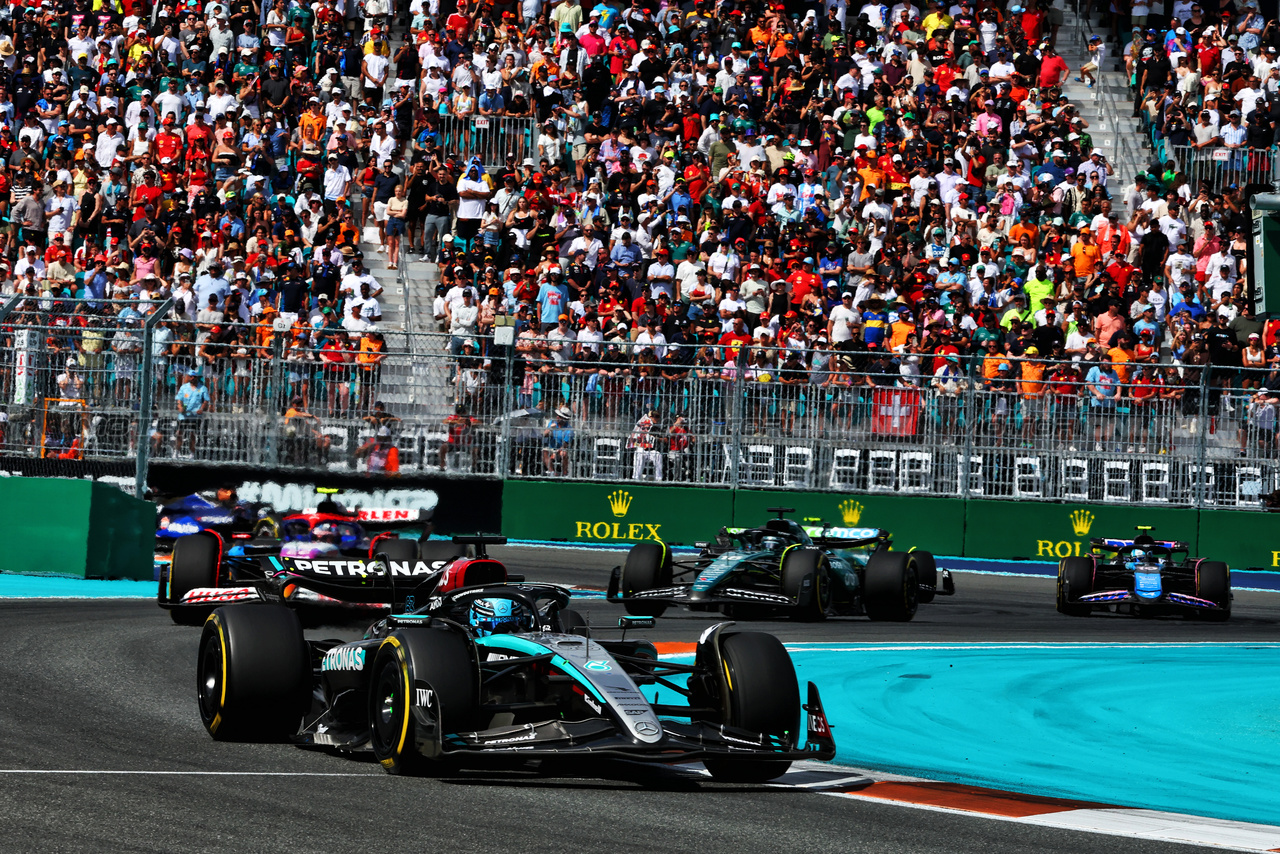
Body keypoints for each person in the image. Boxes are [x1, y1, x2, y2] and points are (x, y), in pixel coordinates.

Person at [174, 365, 210, 459]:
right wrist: (180, 407)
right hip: (184, 415)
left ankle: (192, 453)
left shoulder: (202, 388)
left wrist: (201, 409)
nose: (192, 378)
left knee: (192, 434)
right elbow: (179, 399)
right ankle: (176, 452)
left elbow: (206, 401)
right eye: (191, 376)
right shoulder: (184, 387)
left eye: (194, 376)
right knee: (179, 433)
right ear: (188, 376)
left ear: (197, 377)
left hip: (195, 415)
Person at [628, 408, 662, 481]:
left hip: (652, 450)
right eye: (655, 416)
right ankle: (636, 477)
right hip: (641, 448)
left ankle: (659, 478)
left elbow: (664, 439)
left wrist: (656, 438)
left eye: (658, 416)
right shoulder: (643, 425)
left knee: (658, 455)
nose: (657, 418)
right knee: (639, 453)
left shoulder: (657, 428)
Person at [542, 405, 574, 476]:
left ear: (564, 419)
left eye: (559, 416)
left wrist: (556, 453)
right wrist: (550, 429)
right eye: (557, 415)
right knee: (544, 451)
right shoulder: (552, 423)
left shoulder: (569, 430)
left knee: (563, 453)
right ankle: (552, 472)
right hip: (551, 448)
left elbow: (565, 445)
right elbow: (544, 435)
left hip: (562, 449)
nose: (557, 417)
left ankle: (565, 473)